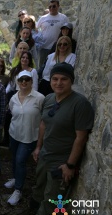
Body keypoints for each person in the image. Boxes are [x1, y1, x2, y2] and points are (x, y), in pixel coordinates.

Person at [31, 62, 94, 214]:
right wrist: (38, 147)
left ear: (71, 81)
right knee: (38, 191)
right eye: (55, 79)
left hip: (60, 163)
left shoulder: (80, 104)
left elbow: (81, 137)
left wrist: (70, 165)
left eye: (64, 79)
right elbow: (43, 124)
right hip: (44, 156)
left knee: (51, 202)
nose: (59, 83)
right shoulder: (49, 99)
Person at [4, 71, 44, 206]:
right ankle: (16, 178)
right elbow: (12, 113)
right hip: (14, 134)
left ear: (32, 81)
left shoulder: (39, 98)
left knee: (20, 160)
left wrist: (39, 143)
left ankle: (18, 190)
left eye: (27, 79)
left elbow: (44, 120)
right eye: (21, 80)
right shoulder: (13, 98)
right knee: (15, 158)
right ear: (17, 82)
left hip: (29, 136)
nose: (24, 82)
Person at [37, 0, 69, 68]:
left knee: (56, 67)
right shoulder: (43, 18)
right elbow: (36, 30)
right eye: (50, 7)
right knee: (42, 66)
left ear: (58, 6)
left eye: (54, 6)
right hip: (44, 47)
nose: (51, 8)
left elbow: (67, 30)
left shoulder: (63, 18)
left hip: (58, 47)